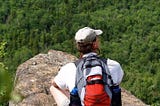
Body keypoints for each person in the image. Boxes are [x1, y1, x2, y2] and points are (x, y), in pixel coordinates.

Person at [50, 27, 124, 106]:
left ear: (78, 46)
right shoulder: (113, 65)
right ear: (95, 44)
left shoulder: (69, 69)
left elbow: (55, 84)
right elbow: (117, 82)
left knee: (53, 88)